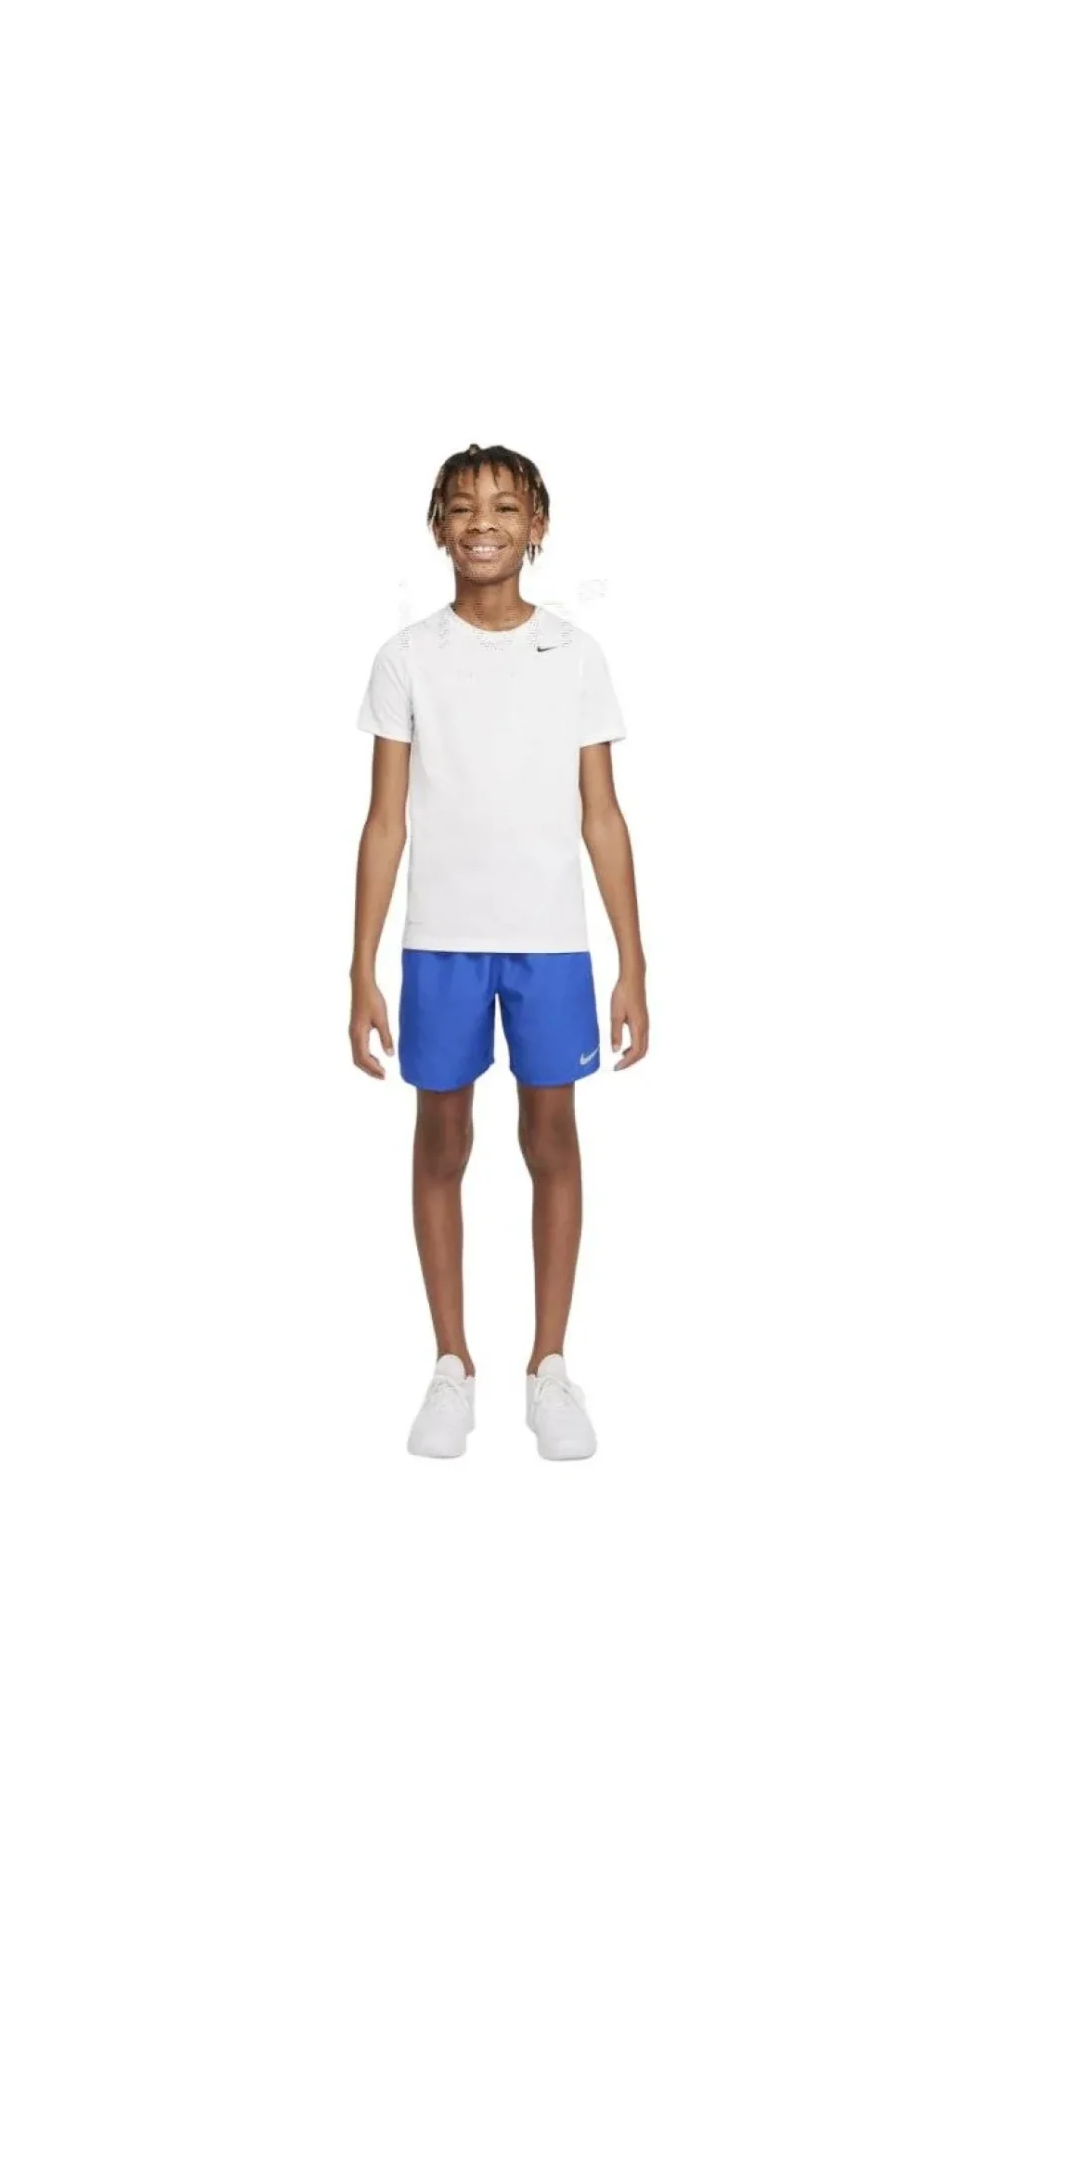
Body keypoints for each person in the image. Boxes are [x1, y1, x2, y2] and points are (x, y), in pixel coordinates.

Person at [349, 442, 648, 1461]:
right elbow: (384, 821)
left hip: (550, 944)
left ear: (537, 527)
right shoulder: (407, 657)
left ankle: (549, 1366)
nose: (485, 523)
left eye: (506, 507)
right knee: (441, 1141)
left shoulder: (574, 654)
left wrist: (632, 961)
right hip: (440, 943)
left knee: (551, 1138)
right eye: (465, 506)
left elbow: (601, 814)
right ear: (439, 526)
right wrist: (360, 967)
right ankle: (451, 1364)